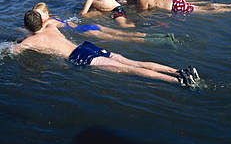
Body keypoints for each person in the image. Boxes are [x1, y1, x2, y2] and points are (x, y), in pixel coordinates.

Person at [14, 10, 201, 87]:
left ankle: (179, 82)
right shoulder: (51, 26)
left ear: (27, 28)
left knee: (132, 70)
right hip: (86, 46)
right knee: (134, 62)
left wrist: (20, 41)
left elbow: (12, 51)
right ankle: (179, 72)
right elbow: (53, 22)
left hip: (79, 57)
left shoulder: (29, 42)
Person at [32, 2, 176, 44]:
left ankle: (161, 41)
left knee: (120, 38)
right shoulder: (55, 18)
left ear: (46, 13)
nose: (36, 17)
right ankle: (164, 36)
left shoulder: (48, 21)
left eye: (38, 14)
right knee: (122, 33)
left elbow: (37, 33)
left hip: (87, 31)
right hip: (91, 27)